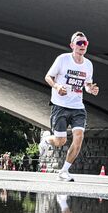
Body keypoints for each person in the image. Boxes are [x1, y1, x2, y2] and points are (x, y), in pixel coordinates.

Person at [42, 31, 100, 181]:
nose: (82, 46)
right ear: (72, 45)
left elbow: (86, 84)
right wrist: (56, 87)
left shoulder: (88, 64)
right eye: (79, 43)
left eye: (85, 43)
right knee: (60, 141)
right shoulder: (63, 59)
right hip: (60, 105)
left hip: (77, 107)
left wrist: (91, 89)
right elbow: (48, 76)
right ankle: (47, 139)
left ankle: (64, 171)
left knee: (79, 137)